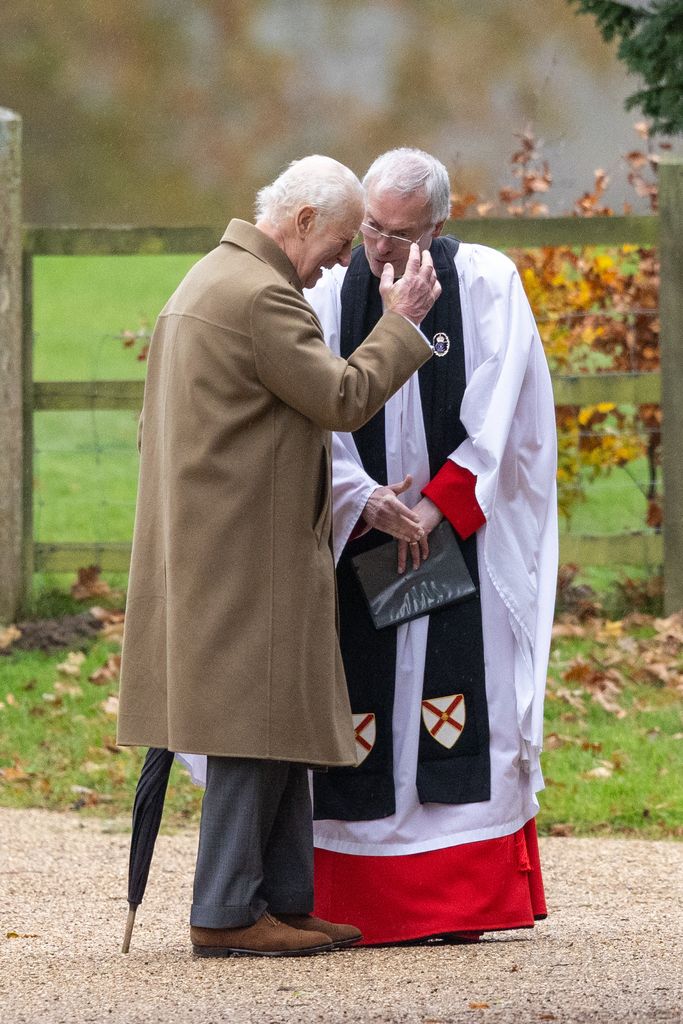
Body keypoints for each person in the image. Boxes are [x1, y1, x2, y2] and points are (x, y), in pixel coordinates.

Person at [116, 154, 442, 958]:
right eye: (337, 241)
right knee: (247, 725)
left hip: (220, 538)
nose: (342, 260)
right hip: (245, 546)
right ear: (299, 220)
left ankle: (283, 900)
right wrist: (401, 322)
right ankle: (226, 911)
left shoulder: (208, 279)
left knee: (279, 715)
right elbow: (341, 397)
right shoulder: (262, 296)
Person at [303, 148, 558, 946]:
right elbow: (314, 407)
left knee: (458, 696)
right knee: (361, 704)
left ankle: (461, 903)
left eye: (400, 233)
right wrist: (364, 500)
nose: (378, 248)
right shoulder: (324, 291)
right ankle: (354, 898)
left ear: (440, 228)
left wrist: (443, 506)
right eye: (371, 228)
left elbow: (509, 411)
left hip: (459, 538)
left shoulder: (484, 283)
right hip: (361, 536)